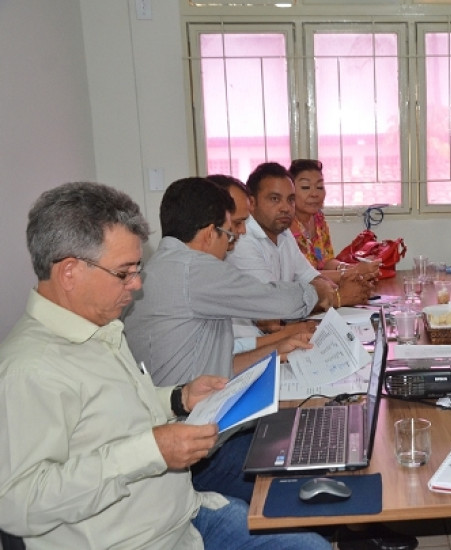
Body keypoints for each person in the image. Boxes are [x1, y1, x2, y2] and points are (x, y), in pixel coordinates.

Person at [0, 182, 330, 550]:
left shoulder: (100, 330)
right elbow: (16, 503)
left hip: (184, 518)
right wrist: (150, 451)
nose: (138, 284)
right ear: (70, 272)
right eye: (124, 272)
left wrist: (178, 398)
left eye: (137, 268)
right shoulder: (30, 369)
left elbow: (113, 416)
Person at [124, 177, 328, 387]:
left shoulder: (168, 265)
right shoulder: (194, 269)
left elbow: (216, 367)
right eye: (230, 232)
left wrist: (275, 350)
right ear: (210, 234)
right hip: (185, 411)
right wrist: (319, 291)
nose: (237, 237)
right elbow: (283, 303)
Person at [228, 162, 376, 314]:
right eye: (274, 199)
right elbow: (272, 302)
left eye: (290, 199)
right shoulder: (242, 239)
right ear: (251, 203)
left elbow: (311, 277)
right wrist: (338, 297)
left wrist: (352, 286)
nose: (285, 208)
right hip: (253, 334)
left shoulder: (283, 233)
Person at [208, 173, 316, 354]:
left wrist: (277, 341)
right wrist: (282, 337)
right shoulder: (198, 273)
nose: (242, 231)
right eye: (236, 222)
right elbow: (274, 304)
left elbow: (230, 351)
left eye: (290, 199)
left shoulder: (216, 264)